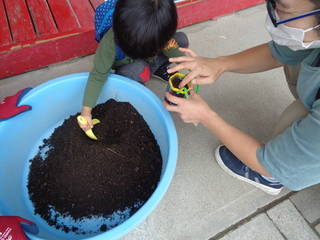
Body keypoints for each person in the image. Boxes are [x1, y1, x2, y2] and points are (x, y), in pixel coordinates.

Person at [164, 0, 320, 195]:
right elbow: (277, 54)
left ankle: (270, 180)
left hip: (276, 163)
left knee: (278, 157)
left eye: (283, 7)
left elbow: (268, 162)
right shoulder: (312, 37)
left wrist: (205, 116)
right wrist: (220, 64)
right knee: (299, 58)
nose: (274, 13)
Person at [79, 0, 189, 131]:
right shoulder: (110, 43)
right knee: (136, 70)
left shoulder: (157, 31)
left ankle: (160, 70)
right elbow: (97, 76)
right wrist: (86, 111)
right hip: (132, 68)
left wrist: (191, 66)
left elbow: (173, 49)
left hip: (150, 63)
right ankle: (137, 82)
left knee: (181, 40)